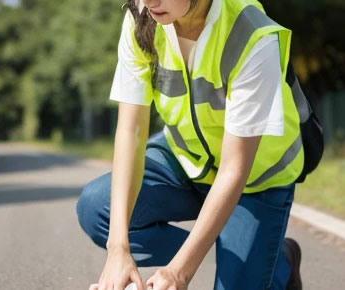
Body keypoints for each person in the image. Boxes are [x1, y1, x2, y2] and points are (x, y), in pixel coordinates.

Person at [76, 0, 305, 289]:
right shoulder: (141, 16)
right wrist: (117, 249)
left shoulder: (253, 34)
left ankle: (280, 260)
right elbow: (131, 132)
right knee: (97, 207)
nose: (149, 2)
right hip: (188, 161)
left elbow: (235, 169)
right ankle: (229, 251)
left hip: (255, 179)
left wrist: (179, 272)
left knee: (240, 281)